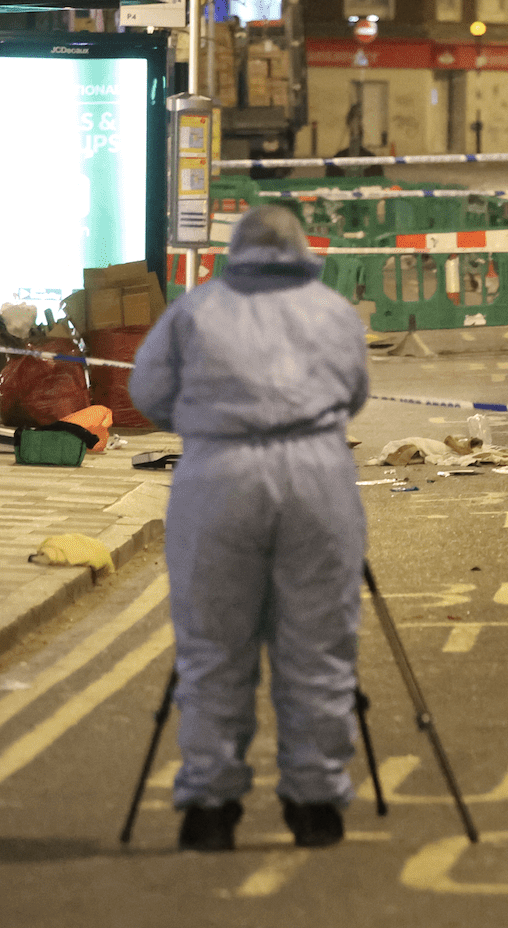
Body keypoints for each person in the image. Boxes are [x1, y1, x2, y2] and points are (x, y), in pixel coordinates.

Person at [129, 205, 370, 852]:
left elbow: (147, 394)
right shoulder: (333, 310)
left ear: (233, 251)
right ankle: (316, 805)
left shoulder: (195, 308)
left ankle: (210, 807)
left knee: (213, 645)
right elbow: (354, 394)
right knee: (318, 644)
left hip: (219, 475)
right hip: (317, 473)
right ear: (300, 249)